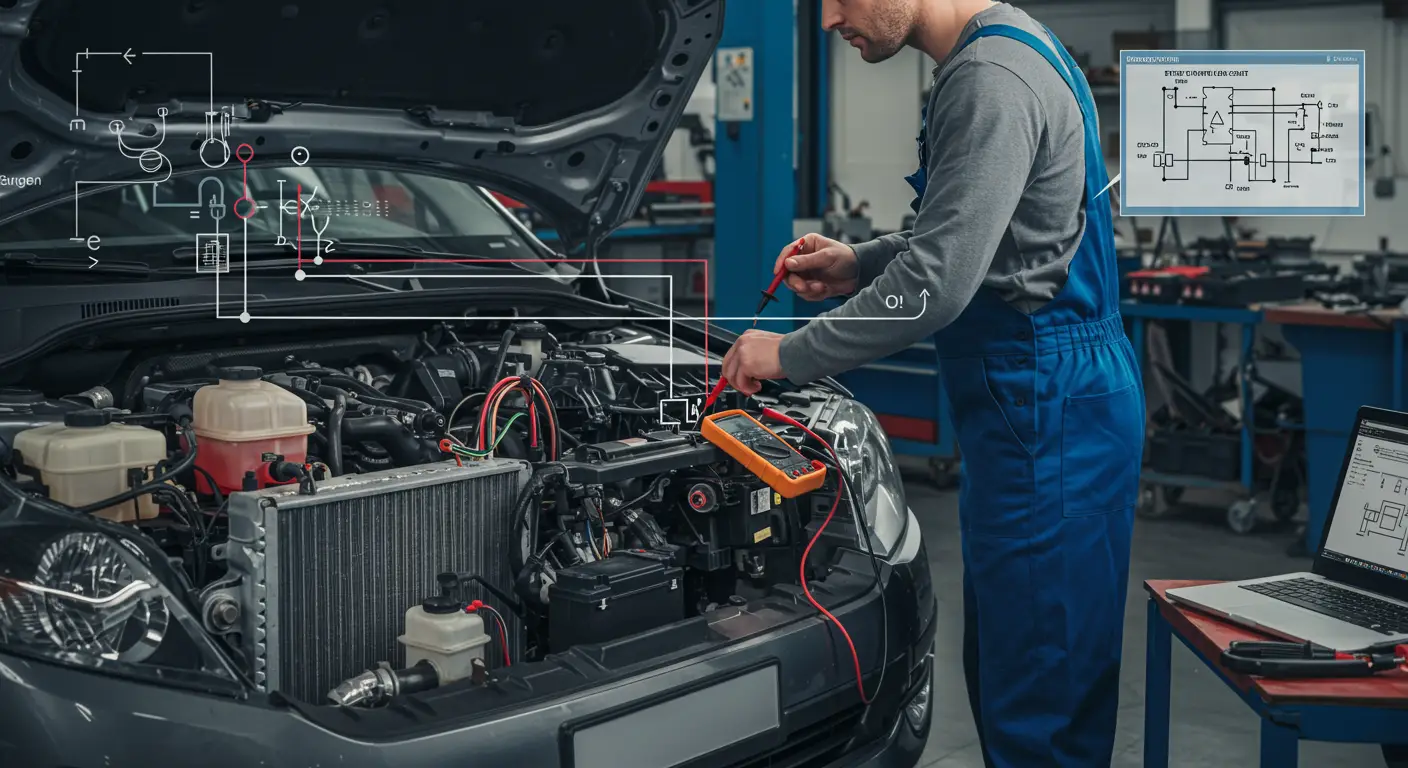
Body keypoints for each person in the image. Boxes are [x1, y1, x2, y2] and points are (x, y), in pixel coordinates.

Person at [720, 1, 1144, 766]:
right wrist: (859, 261)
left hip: (1046, 402)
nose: (827, 20)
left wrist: (787, 355)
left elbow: (941, 281)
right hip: (1045, 399)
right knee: (1028, 664)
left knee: (1039, 693)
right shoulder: (1004, 50)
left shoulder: (989, 77)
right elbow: (965, 229)